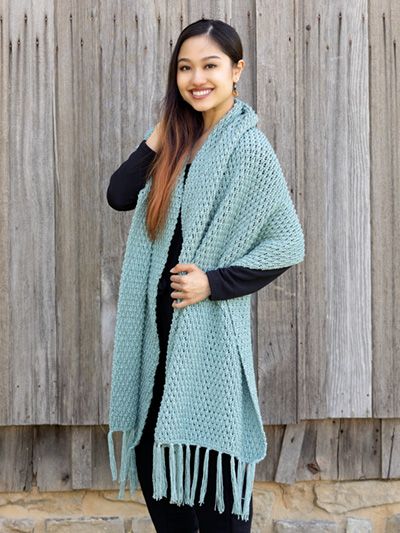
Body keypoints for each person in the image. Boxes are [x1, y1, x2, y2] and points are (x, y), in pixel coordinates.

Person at [106, 18, 305, 533]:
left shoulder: (248, 148)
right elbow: (119, 194)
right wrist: (163, 129)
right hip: (154, 351)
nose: (197, 78)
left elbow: (287, 242)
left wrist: (212, 283)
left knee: (219, 512)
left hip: (207, 352)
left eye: (211, 66)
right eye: (185, 68)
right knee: (164, 500)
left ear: (237, 71)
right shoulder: (174, 145)